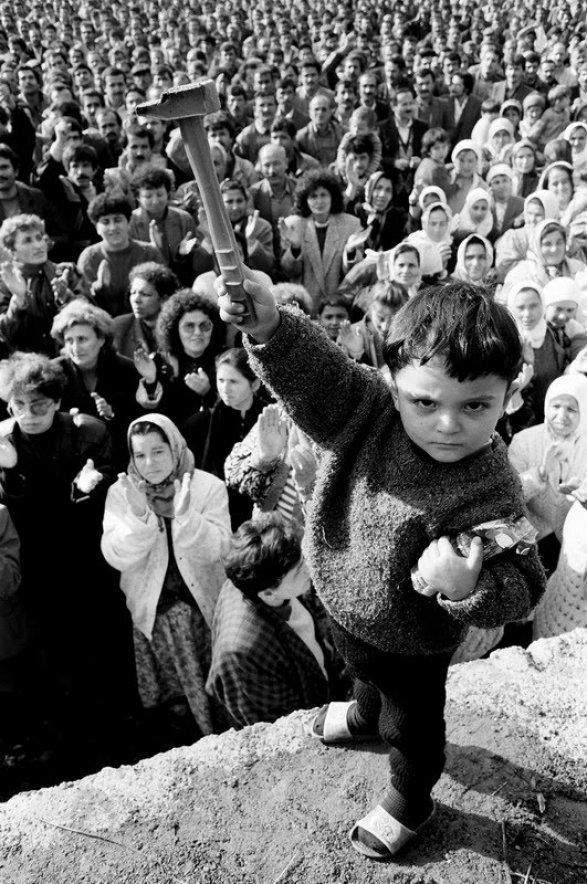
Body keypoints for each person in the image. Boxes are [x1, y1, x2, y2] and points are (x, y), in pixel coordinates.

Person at [217, 266, 545, 861]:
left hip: (416, 642)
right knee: (359, 672)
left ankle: (412, 796)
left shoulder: (491, 482)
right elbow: (317, 374)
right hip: (342, 603)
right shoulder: (367, 408)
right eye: (426, 401)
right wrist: (267, 324)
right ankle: (365, 712)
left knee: (412, 728)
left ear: (510, 394)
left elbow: (523, 583)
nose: (449, 424)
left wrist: (469, 585)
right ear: (392, 382)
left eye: (476, 405)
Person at [0, 352, 132, 751]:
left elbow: (103, 492)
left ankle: (116, 724)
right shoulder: (4, 442)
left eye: (38, 404)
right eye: (18, 404)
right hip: (37, 565)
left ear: (56, 401)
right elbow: (11, 514)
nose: (28, 413)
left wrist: (87, 488)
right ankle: (68, 735)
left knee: (100, 643)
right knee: (54, 653)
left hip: (86, 558)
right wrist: (7, 470)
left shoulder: (87, 431)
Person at [101, 413, 231, 737]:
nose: (150, 463)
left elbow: (219, 549)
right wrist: (138, 516)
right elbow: (116, 555)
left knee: (220, 694)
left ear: (175, 447)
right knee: (177, 708)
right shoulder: (122, 492)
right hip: (156, 617)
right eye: (140, 454)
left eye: (158, 452)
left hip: (203, 612)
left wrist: (187, 516)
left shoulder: (207, 487)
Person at [207, 513, 346, 728]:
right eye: (301, 568)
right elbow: (282, 726)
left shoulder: (259, 574)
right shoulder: (243, 655)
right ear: (269, 594)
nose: (312, 566)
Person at [184, 348, 269, 528]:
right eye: (221, 380)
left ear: (254, 384)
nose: (225, 388)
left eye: (234, 381)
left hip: (260, 514)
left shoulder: (271, 418)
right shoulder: (199, 424)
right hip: (215, 515)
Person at [509, 375, 587, 570]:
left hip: (578, 542)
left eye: (571, 409)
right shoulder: (523, 441)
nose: (562, 415)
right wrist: (539, 475)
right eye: (556, 406)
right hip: (533, 540)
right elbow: (507, 497)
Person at [279, 169, 362, 312]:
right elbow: (288, 271)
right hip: (303, 306)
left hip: (339, 307)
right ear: (305, 199)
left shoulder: (351, 224)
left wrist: (350, 252)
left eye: (324, 195)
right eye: (313, 196)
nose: (319, 201)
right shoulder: (293, 225)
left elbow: (356, 273)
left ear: (333, 197)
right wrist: (296, 248)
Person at [138, 290, 225, 427]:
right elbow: (151, 415)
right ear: (174, 329)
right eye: (189, 326)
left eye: (204, 326)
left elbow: (232, 416)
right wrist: (151, 381)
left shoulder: (224, 361)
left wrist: (208, 393)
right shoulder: (160, 362)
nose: (197, 333)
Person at [0, 214, 79, 356]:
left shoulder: (66, 272)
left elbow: (92, 320)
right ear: (12, 252)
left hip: (70, 359)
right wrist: (18, 300)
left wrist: (67, 298)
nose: (38, 245)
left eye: (39, 238)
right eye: (27, 241)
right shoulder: (4, 285)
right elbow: (8, 336)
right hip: (27, 367)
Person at [78, 191, 162, 317]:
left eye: (118, 220)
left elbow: (165, 293)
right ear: (97, 228)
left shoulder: (149, 253)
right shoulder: (89, 257)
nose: (113, 227)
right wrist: (98, 287)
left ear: (128, 222)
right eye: (106, 222)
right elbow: (82, 301)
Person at [112, 262, 179, 360]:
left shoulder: (178, 327)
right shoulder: (119, 327)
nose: (136, 300)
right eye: (133, 293)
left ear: (164, 299)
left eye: (145, 294)